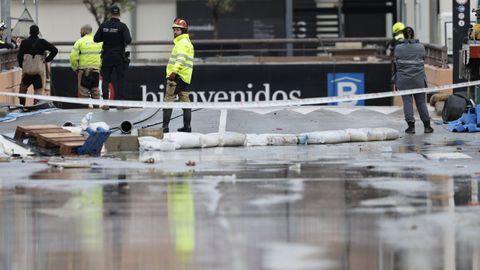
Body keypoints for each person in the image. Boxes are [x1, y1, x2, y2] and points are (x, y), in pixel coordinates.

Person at [394, 27, 433, 134]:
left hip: (403, 80)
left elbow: (396, 61)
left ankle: (411, 127)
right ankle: (427, 126)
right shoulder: (420, 47)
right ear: (413, 34)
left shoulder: (398, 48)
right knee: (421, 103)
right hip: (418, 79)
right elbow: (423, 58)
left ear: (403, 35)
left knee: (407, 102)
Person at [94, 4, 132, 110]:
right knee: (120, 80)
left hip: (106, 56)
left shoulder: (103, 25)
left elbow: (96, 39)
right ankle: (120, 104)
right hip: (119, 57)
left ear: (111, 14)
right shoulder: (122, 26)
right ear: (119, 14)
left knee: (106, 80)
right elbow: (128, 40)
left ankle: (105, 104)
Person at [162, 18, 195, 133]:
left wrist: (173, 72)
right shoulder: (187, 43)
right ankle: (187, 127)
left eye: (178, 30)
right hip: (184, 78)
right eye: (174, 29)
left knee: (168, 100)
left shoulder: (182, 43)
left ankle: (164, 128)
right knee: (185, 101)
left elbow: (180, 60)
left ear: (183, 30)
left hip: (176, 77)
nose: (175, 32)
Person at [17, 25, 58, 106]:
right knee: (38, 91)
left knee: (23, 89)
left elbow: (19, 56)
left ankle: (22, 106)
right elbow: (55, 50)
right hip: (38, 72)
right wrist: (47, 59)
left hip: (27, 72)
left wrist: (22, 65)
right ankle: (35, 107)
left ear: (29, 32)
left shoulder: (24, 42)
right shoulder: (42, 42)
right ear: (38, 33)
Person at [70, 24, 103, 104]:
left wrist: (75, 68)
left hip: (83, 70)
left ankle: (85, 110)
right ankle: (97, 109)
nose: (80, 32)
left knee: (83, 92)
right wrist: (100, 66)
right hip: (95, 70)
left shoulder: (80, 41)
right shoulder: (99, 41)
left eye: (81, 31)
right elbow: (104, 55)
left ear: (84, 31)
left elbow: (73, 56)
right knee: (95, 91)